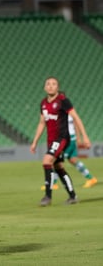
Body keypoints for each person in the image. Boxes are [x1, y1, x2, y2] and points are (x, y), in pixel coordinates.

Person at [30, 77, 91, 206]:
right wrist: (35, 141)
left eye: (54, 84)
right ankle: (73, 196)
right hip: (51, 140)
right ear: (44, 87)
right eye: (48, 84)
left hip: (62, 138)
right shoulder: (43, 104)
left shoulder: (63, 101)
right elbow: (42, 123)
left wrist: (84, 137)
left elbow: (76, 118)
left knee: (46, 161)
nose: (51, 86)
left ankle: (47, 196)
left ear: (57, 87)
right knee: (58, 167)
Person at [40, 115, 97, 190]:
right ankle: (91, 178)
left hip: (68, 140)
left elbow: (75, 124)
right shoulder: (59, 112)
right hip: (67, 139)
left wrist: (78, 137)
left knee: (57, 161)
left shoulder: (66, 112)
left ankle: (53, 184)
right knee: (73, 159)